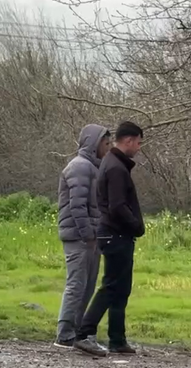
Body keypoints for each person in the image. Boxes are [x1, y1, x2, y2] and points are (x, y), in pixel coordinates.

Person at [74, 121, 145, 357]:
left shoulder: (113, 164)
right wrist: (135, 225)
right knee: (112, 285)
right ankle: (85, 333)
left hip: (115, 233)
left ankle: (117, 338)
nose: (138, 147)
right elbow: (117, 206)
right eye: (138, 142)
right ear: (128, 140)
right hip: (116, 233)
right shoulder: (116, 168)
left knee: (121, 287)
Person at [54, 125, 111, 349]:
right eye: (105, 144)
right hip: (79, 238)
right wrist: (89, 234)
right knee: (76, 285)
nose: (107, 149)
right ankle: (65, 333)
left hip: (89, 238)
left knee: (87, 286)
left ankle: (77, 332)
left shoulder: (92, 168)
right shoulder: (80, 167)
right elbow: (77, 206)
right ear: (94, 143)